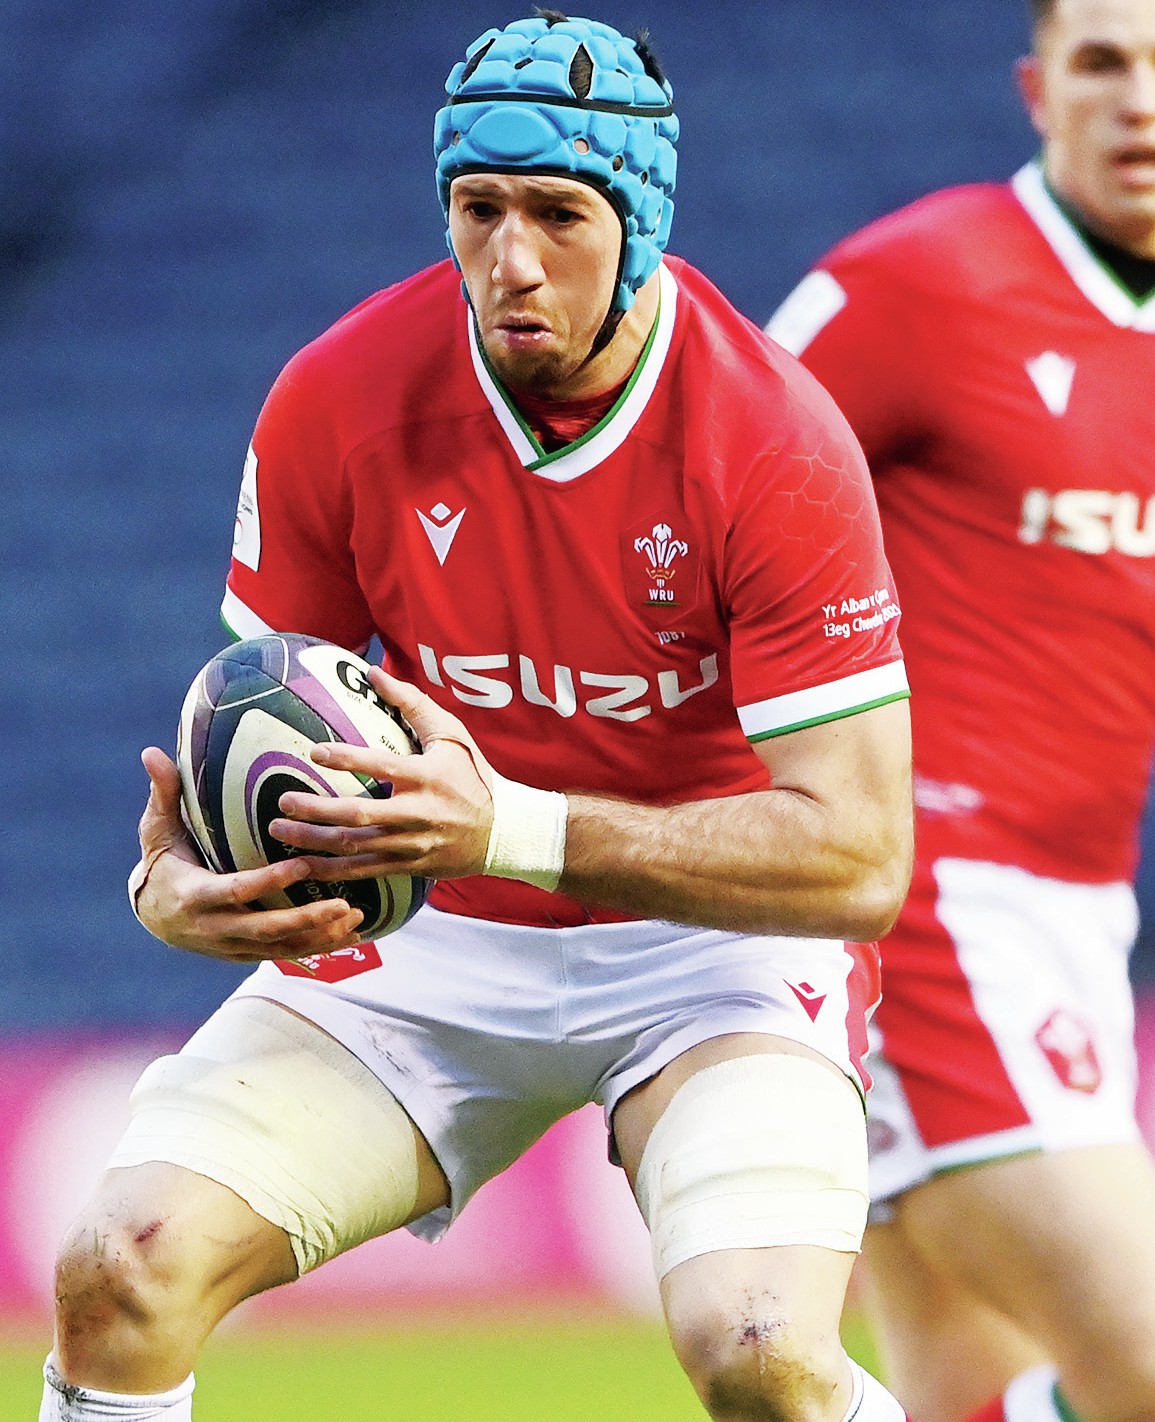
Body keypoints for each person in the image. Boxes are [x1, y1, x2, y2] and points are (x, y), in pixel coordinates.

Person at [42, 13, 915, 1422]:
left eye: (559, 214)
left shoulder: (775, 441)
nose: (512, 259)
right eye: (479, 209)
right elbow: (256, 734)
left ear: (639, 224)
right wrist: (180, 882)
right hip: (433, 935)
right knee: (117, 1270)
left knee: (762, 1352)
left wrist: (508, 824)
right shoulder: (340, 396)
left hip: (714, 956)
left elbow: (861, 859)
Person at [765, 1, 1155, 1420]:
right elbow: (707, 489)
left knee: (969, 1395)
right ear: (1037, 89)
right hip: (931, 900)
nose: (1140, 99)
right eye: (1104, 62)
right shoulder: (923, 283)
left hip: (1081, 909)